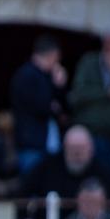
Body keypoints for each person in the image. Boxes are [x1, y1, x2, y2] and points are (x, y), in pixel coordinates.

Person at [67, 29, 110, 162]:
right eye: (109, 43)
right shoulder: (89, 63)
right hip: (87, 131)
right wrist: (107, 93)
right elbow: (77, 94)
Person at [9, 34, 68, 177]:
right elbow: (42, 106)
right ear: (52, 55)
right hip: (31, 143)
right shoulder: (27, 75)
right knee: (32, 186)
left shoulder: (42, 76)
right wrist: (57, 87)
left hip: (43, 143)